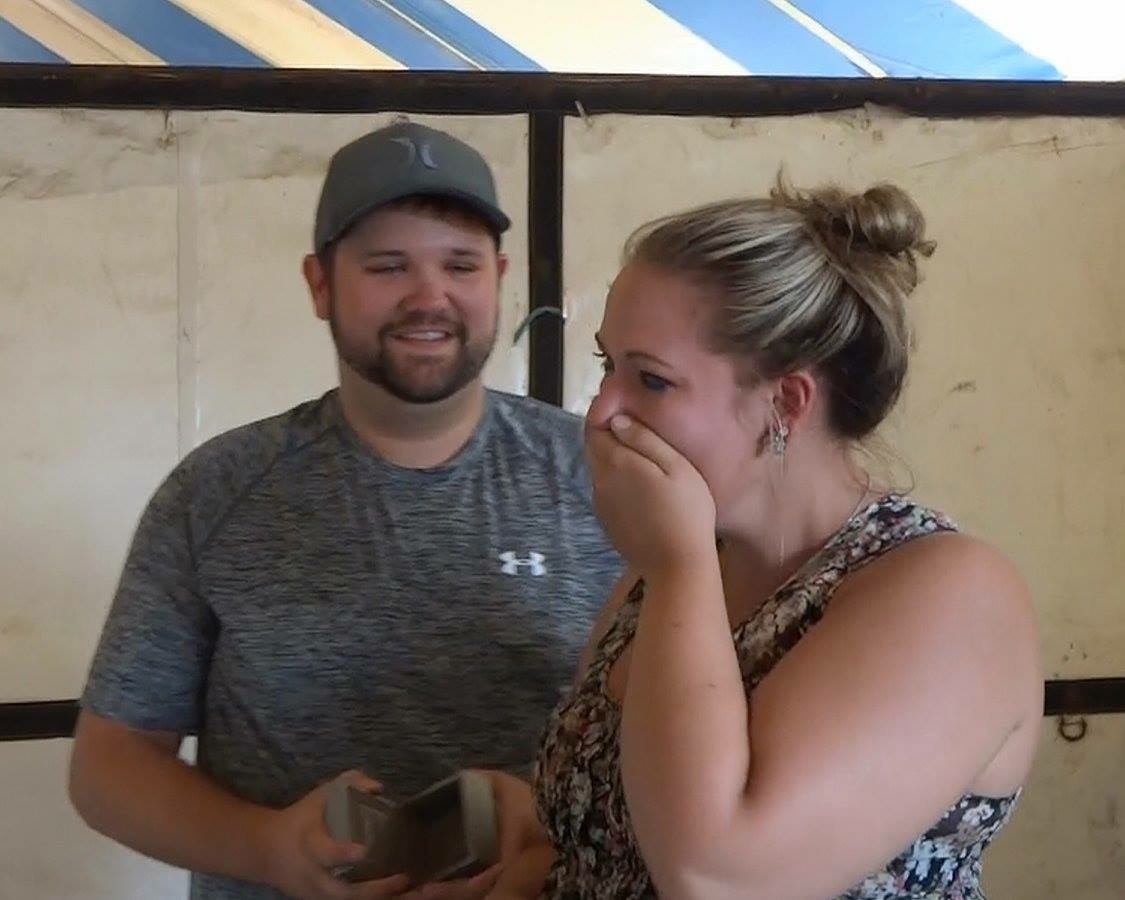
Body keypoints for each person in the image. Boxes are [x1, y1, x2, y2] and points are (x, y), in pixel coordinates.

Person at [68, 121, 619, 900]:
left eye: (460, 265)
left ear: (498, 278)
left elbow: (686, 746)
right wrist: (266, 848)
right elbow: (108, 766)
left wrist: (545, 839)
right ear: (320, 283)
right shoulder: (217, 493)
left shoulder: (604, 483)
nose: (429, 297)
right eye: (387, 266)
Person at [490, 178, 1042, 899]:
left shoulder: (950, 593)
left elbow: (714, 875)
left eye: (650, 380)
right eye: (606, 367)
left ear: (784, 402)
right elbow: (606, 842)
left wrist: (679, 564)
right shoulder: (673, 569)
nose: (600, 413)